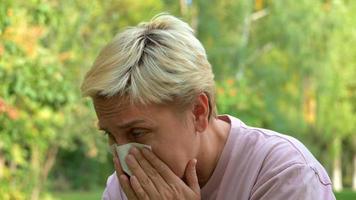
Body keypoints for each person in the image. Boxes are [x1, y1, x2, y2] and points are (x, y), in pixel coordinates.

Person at [80, 14, 336, 200]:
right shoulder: (126, 188)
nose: (124, 159)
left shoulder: (284, 174)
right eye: (111, 136)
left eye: (137, 133)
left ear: (198, 112)